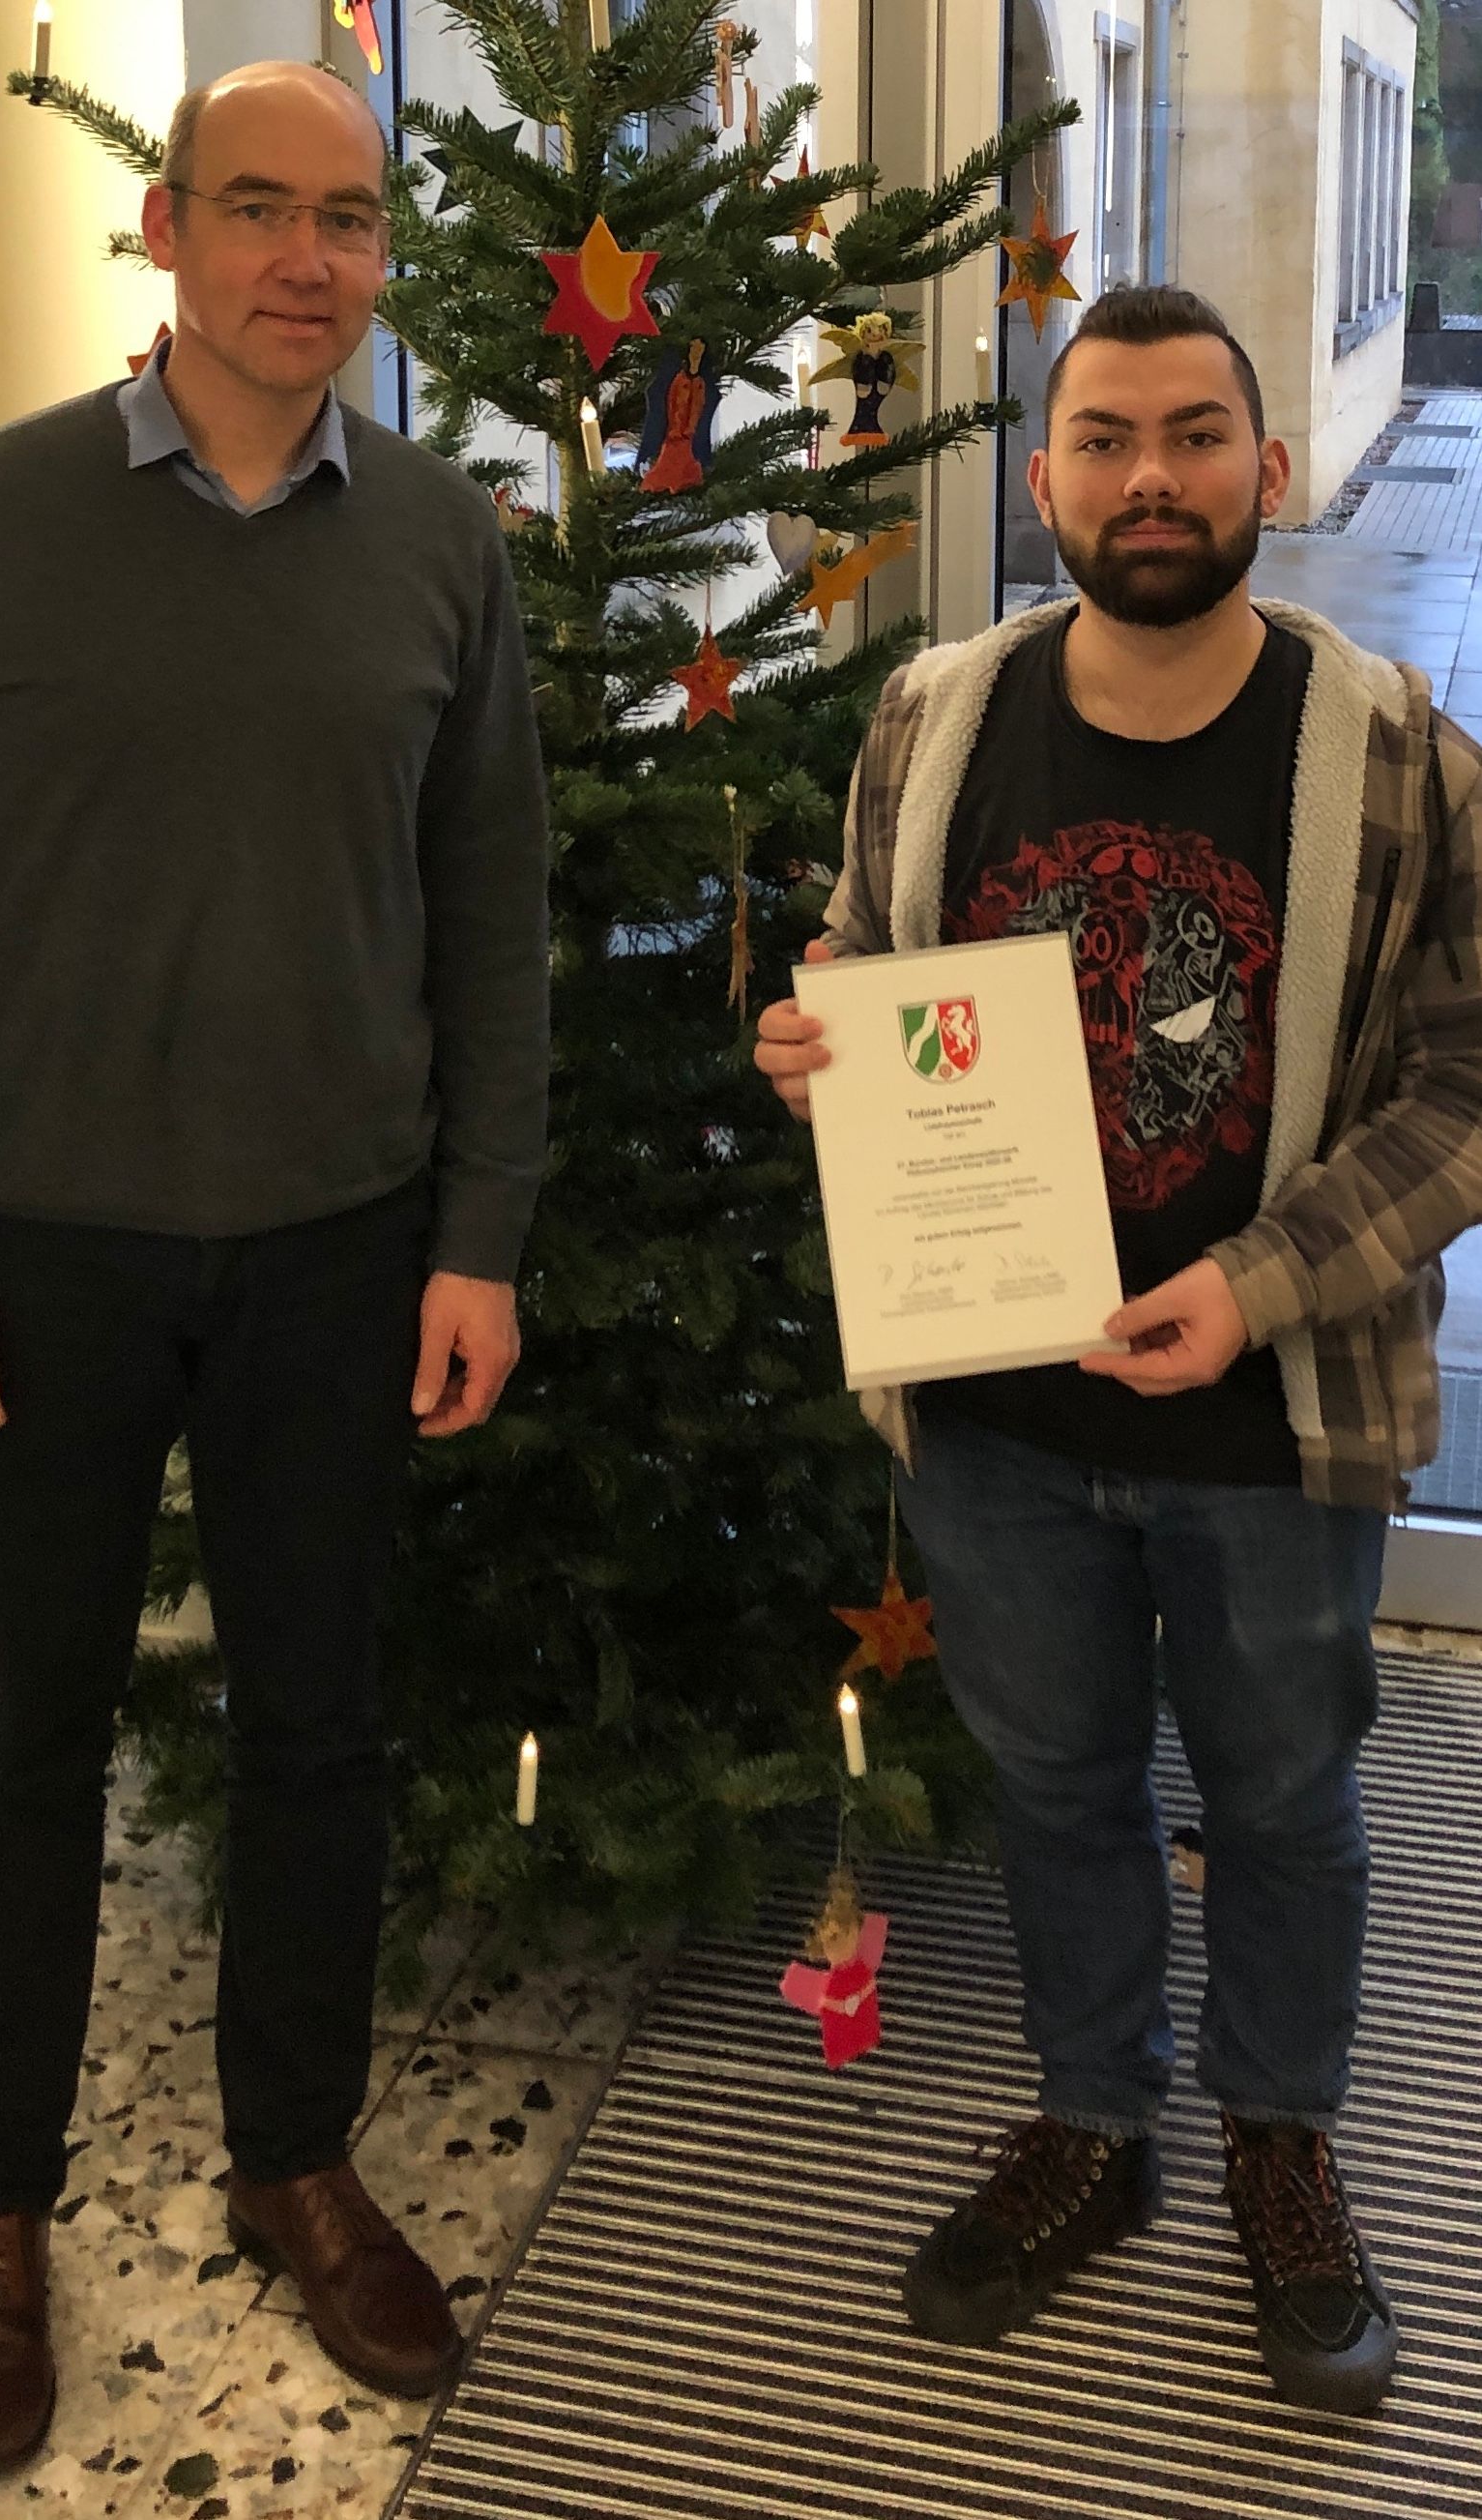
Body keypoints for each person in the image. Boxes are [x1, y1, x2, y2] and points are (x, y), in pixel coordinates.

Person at [0, 62, 550, 2477]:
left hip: (339, 1246)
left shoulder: (442, 543)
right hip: (40, 1248)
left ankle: (294, 2157)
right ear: (165, 230)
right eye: (258, 208)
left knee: (320, 1726)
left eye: (349, 220)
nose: (306, 259)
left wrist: (477, 1237)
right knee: (28, 1738)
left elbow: (491, 917)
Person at [754, 283, 1482, 2418]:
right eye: (1102, 438)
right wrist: (816, 1035)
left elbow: (1465, 1089)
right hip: (991, 1411)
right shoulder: (933, 717)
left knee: (1283, 1797)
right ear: (1048, 475)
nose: (1147, 476)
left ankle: (1280, 2136)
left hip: (1272, 1411)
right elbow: (870, 964)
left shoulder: (1395, 752)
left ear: (1269, 468)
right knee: (1059, 1784)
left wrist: (1260, 1281)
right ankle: (1094, 2112)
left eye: (1191, 434)